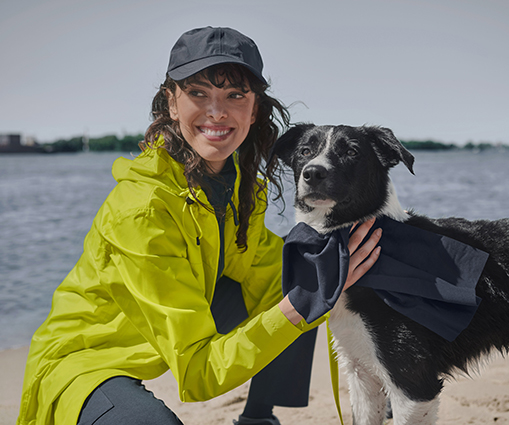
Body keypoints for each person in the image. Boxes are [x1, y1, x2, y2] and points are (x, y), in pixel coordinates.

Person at [17, 27, 382, 425]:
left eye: (234, 95)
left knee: (304, 273)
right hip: (83, 364)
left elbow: (270, 275)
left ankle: (259, 417)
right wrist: (301, 307)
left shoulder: (241, 187)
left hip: (167, 334)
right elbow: (198, 374)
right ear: (172, 103)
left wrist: (356, 265)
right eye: (198, 93)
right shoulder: (143, 209)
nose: (217, 112)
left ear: (254, 108)